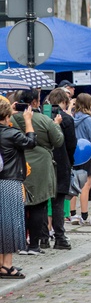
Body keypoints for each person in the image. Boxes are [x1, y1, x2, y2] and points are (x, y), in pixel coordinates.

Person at [11, 89, 64, 254]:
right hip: (40, 165)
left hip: (17, 163)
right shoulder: (44, 120)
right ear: (35, 102)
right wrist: (56, 125)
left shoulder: (10, 119)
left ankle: (20, 244)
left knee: (20, 205)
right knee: (38, 205)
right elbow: (58, 140)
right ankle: (34, 244)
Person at [0, 100, 36, 277]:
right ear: (7, 115)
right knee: (10, 224)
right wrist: (28, 120)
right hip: (10, 181)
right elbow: (30, 142)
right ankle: (7, 265)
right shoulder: (11, 134)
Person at [46, 88, 77, 249]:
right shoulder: (66, 119)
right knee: (58, 201)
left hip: (45, 162)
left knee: (41, 202)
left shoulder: (42, 117)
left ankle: (43, 237)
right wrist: (69, 161)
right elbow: (72, 144)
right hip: (61, 161)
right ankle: (60, 237)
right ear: (64, 102)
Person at [69, 93, 91, 226]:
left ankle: (72, 215)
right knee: (86, 185)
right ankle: (85, 215)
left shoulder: (71, 117)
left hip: (73, 153)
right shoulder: (88, 119)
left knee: (73, 183)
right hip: (86, 153)